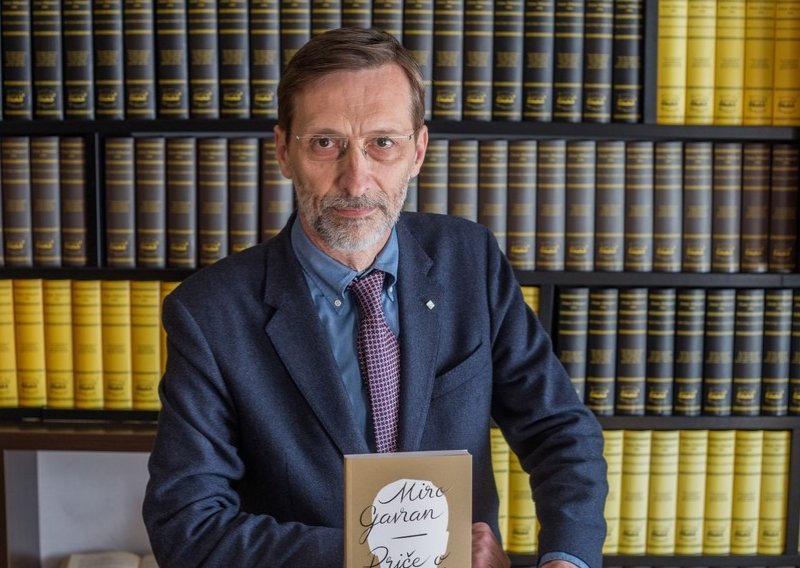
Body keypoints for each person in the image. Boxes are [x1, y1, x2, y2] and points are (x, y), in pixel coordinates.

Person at [143, 27, 607, 568]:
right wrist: (389, 553)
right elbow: (188, 526)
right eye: (326, 143)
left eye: (382, 143)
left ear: (418, 151)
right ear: (284, 151)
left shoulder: (470, 260)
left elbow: (559, 431)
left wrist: (565, 560)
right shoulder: (208, 312)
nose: (356, 180)